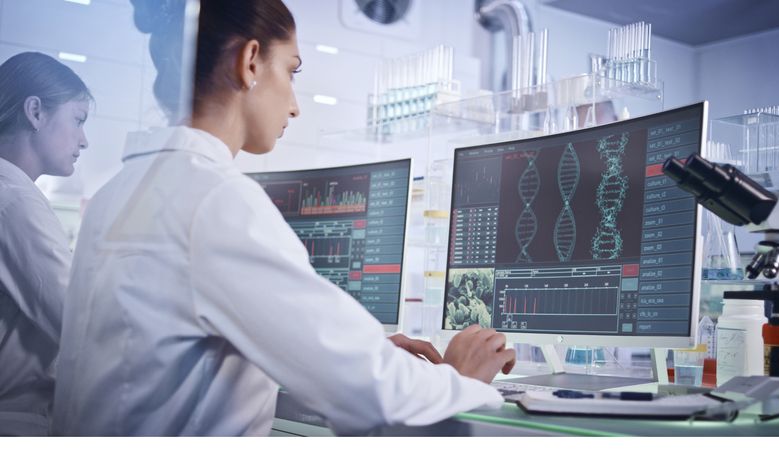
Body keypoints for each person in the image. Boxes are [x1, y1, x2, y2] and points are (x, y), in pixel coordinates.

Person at [52, 0, 515, 436]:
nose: (294, 104)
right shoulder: (216, 200)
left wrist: (341, 354)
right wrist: (460, 379)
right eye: (291, 72)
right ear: (250, 62)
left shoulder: (120, 191)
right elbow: (373, 396)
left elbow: (167, 359)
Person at [0, 52, 91, 435]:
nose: (84, 141)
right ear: (35, 112)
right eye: (78, 120)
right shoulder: (14, 199)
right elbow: (80, 323)